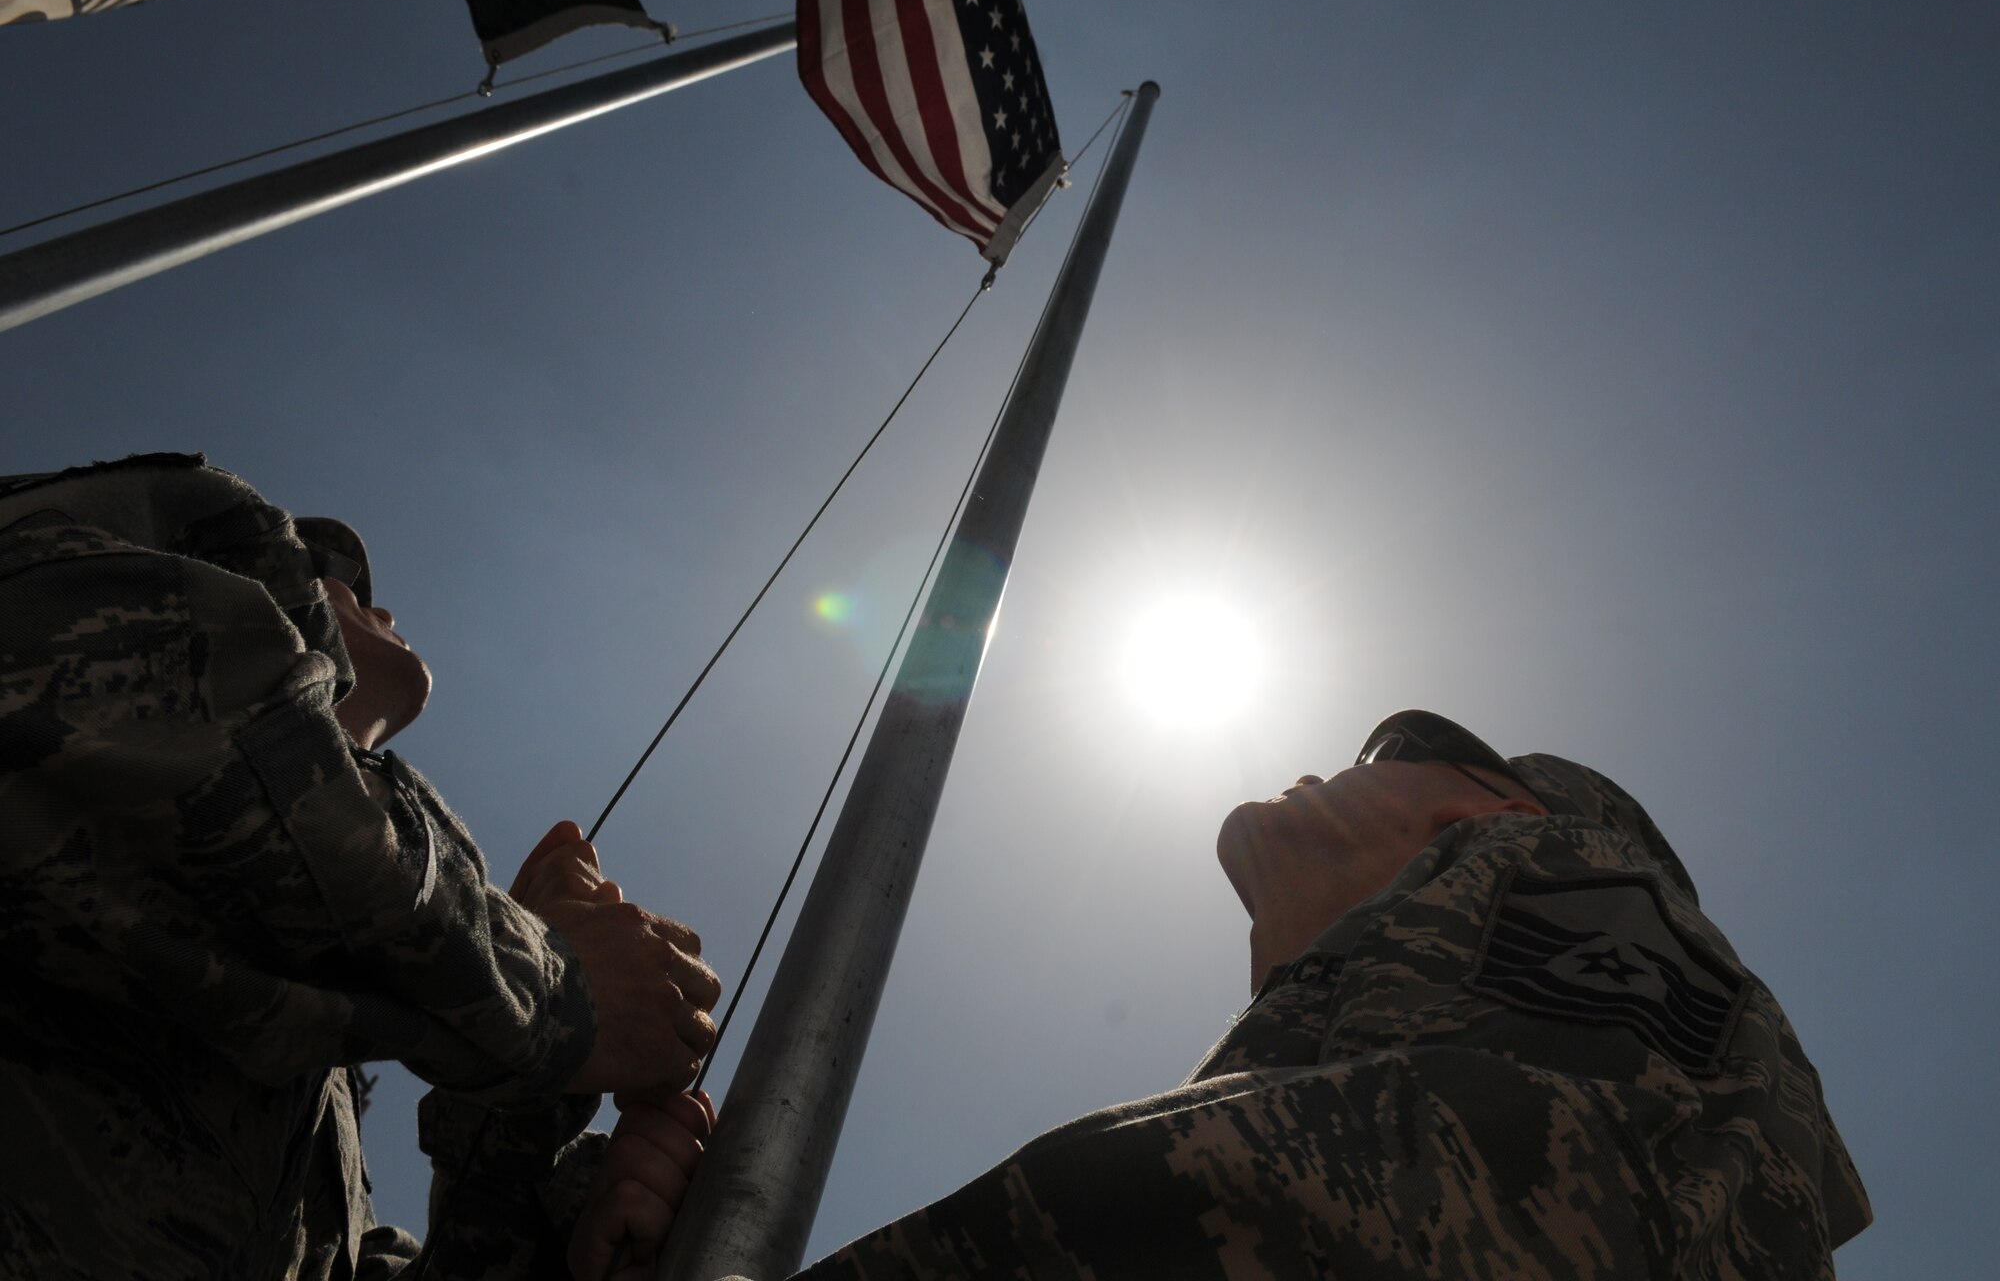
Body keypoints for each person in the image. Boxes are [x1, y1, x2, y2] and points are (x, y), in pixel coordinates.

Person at [781, 710, 1872, 1279]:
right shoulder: (1364, 1008)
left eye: (1399, 748)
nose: (1329, 763)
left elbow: (1470, 1227)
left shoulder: (1565, 869)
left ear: (1490, 807)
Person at [0, 452, 719, 1279]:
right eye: (328, 572)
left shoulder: (311, 1055)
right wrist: (552, 979)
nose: (375, 602)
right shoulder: (81, 563)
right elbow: (119, 689)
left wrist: (555, 1200)